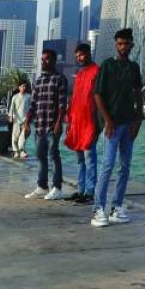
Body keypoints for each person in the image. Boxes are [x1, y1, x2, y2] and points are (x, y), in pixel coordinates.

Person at [91, 29, 144, 227]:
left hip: (129, 124)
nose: (123, 47)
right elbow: (98, 94)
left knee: (125, 166)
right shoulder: (107, 65)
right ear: (116, 45)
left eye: (126, 44)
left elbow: (138, 93)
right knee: (107, 165)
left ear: (132, 45)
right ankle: (98, 209)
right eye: (120, 44)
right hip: (113, 125)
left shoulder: (133, 68)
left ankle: (117, 206)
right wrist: (108, 120)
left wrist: (139, 119)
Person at [24, 50, 67, 200]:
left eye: (47, 59)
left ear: (54, 61)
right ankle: (42, 186)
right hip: (39, 126)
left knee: (53, 155)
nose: (43, 62)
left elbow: (62, 104)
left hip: (52, 125)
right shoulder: (38, 80)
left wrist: (59, 123)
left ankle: (57, 187)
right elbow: (33, 105)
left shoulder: (60, 79)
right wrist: (27, 123)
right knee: (40, 156)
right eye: (42, 59)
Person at [64, 43, 100, 204]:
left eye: (82, 55)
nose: (79, 58)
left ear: (88, 54)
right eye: (77, 55)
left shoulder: (97, 72)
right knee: (80, 159)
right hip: (76, 123)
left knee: (89, 158)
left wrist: (100, 123)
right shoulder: (79, 75)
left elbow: (100, 97)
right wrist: (68, 122)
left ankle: (90, 192)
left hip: (90, 122)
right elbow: (73, 99)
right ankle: (81, 190)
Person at [8, 82, 31, 158]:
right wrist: (10, 116)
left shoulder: (29, 97)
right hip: (16, 119)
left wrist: (30, 118)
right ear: (19, 87)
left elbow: (31, 108)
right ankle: (16, 151)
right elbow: (12, 107)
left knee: (23, 136)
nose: (24, 88)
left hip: (25, 119)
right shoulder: (15, 97)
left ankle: (21, 151)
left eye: (25, 86)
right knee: (15, 136)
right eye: (22, 86)